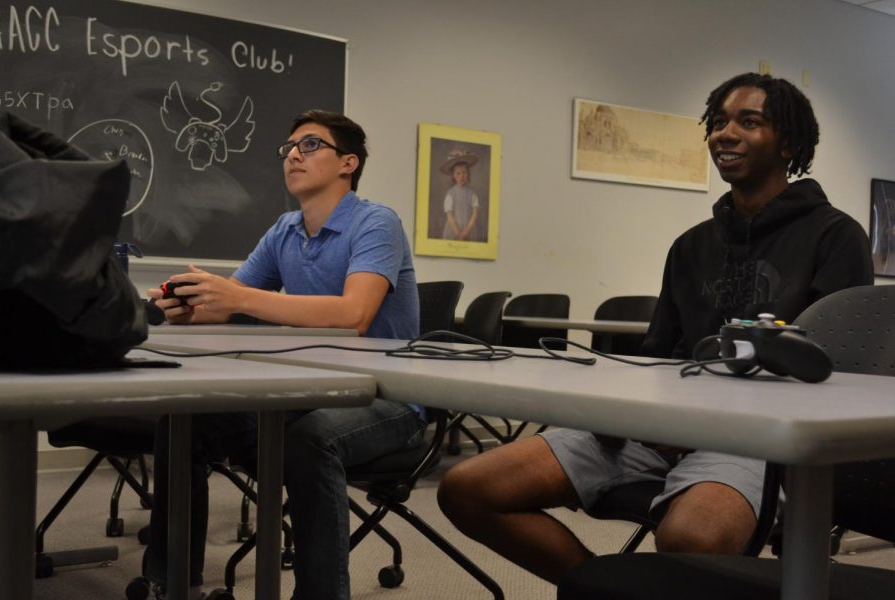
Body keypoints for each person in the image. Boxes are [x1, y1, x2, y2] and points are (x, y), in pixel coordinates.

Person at [436, 72, 874, 585]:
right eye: (717, 122)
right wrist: (649, 416)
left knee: (690, 539)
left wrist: (712, 417)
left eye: (748, 122)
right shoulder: (691, 245)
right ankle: (611, 591)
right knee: (467, 489)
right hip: (659, 433)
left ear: (790, 144)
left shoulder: (835, 235)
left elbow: (834, 377)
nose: (724, 133)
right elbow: (657, 354)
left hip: (759, 441)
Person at [143, 110, 426, 600]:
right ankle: (171, 577)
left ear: (348, 163)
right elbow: (227, 306)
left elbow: (354, 315)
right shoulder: (285, 230)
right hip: (312, 386)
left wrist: (235, 299)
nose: (293, 154)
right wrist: (186, 306)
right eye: (290, 147)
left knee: (308, 439)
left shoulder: (376, 222)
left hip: (390, 396)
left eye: (311, 145)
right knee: (186, 418)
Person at [440, 149, 481, 241]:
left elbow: (474, 215)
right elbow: (450, 216)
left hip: (468, 231)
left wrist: (465, 232)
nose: (461, 176)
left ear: (468, 174)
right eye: (458, 173)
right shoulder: (450, 194)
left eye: (464, 172)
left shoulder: (472, 194)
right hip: (453, 230)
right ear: (453, 176)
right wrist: (458, 233)